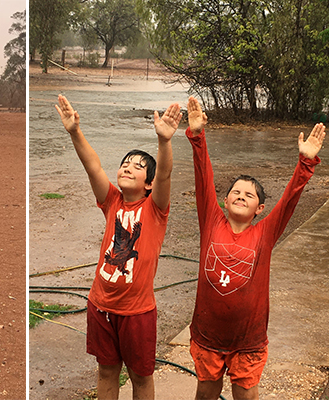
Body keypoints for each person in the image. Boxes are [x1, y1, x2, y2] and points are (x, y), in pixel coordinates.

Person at [185, 96, 325, 400]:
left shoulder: (264, 234)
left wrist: (305, 164)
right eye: (235, 191)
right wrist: (198, 136)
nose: (240, 195)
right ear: (224, 201)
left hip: (248, 341)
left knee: (246, 396)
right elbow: (202, 177)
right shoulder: (211, 220)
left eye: (249, 195)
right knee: (205, 393)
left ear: (260, 208)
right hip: (208, 337)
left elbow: (288, 201)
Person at [55, 94, 182, 399]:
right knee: (106, 371)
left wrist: (164, 142)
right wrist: (75, 131)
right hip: (100, 305)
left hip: (137, 312)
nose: (127, 168)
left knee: (140, 378)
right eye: (125, 164)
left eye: (137, 167)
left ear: (148, 183)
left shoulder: (155, 209)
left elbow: (164, 174)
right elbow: (93, 166)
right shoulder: (112, 201)